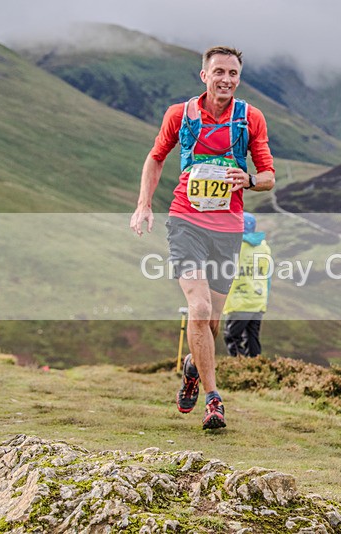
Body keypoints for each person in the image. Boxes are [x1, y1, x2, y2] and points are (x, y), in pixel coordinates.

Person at [130, 46, 275, 430]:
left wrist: (247, 179)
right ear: (204, 75)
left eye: (232, 73)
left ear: (239, 79)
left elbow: (268, 176)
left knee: (210, 324)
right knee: (197, 309)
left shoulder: (250, 119)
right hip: (185, 223)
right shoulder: (180, 115)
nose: (225, 79)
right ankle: (214, 399)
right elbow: (156, 156)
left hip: (228, 229)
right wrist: (144, 204)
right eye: (219, 72)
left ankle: (194, 369)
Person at [223, 212, 271, 358]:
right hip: (258, 299)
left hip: (240, 299)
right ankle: (256, 368)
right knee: (252, 338)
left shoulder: (233, 245)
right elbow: (267, 275)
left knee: (232, 336)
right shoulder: (264, 247)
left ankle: (239, 369)